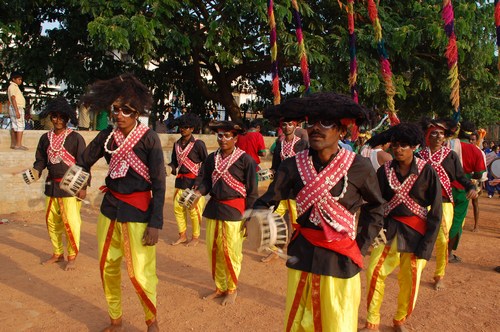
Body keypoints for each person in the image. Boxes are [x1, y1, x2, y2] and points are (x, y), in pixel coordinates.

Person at [254, 92, 385, 331]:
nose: (316, 128)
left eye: (326, 123)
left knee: (338, 323)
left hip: (340, 259)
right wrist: (256, 216)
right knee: (297, 322)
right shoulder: (292, 165)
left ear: (342, 131)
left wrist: (362, 245)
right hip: (302, 254)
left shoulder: (359, 166)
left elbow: (376, 207)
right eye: (312, 122)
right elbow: (269, 200)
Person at [77, 74, 165, 332]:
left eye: (126, 110)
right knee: (107, 267)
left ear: (137, 111)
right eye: (116, 109)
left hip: (139, 212)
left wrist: (155, 222)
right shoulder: (107, 135)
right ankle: (115, 319)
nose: (120, 114)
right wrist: (82, 182)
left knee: (140, 272)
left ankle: (152, 320)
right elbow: (85, 160)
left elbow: (159, 183)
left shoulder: (150, 138)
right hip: (109, 209)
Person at [362, 123, 442, 332]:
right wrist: (370, 232)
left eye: (404, 145)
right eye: (395, 145)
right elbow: (374, 202)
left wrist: (427, 246)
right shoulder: (384, 171)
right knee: (374, 271)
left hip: (416, 234)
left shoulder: (427, 171)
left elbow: (436, 212)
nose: (398, 149)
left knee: (410, 281)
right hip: (388, 231)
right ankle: (372, 321)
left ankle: (400, 320)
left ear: (415, 146)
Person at [193, 120, 258, 306]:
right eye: (220, 135)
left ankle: (232, 289)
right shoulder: (211, 158)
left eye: (227, 136)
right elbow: (206, 181)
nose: (223, 139)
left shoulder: (246, 160)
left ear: (236, 138)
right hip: (214, 209)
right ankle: (219, 287)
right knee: (214, 250)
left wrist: (249, 218)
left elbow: (252, 192)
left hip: (235, 211)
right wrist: (198, 192)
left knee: (231, 252)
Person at [417, 118, 477, 290]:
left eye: (441, 133)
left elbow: (460, 177)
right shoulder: (419, 156)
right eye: (434, 133)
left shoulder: (450, 156)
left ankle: (439, 275)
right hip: (421, 203)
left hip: (444, 204)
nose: (438, 136)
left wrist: (471, 186)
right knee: (421, 238)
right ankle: (417, 270)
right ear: (427, 135)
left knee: (443, 240)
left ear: (445, 137)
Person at [29, 97, 87, 271]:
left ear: (68, 118)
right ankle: (57, 253)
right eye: (54, 116)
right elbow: (40, 159)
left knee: (71, 222)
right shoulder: (44, 138)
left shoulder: (76, 138)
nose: (58, 120)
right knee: (51, 222)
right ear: (50, 117)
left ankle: (72, 256)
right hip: (51, 186)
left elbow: (83, 163)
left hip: (71, 187)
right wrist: (36, 170)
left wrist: (83, 187)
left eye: (62, 116)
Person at [262, 119, 308, 263]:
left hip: (296, 191)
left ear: (295, 126)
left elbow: (307, 166)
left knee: (297, 222)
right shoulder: (279, 144)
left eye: (290, 124)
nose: (287, 127)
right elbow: (275, 166)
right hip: (282, 189)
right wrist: (268, 173)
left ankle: (299, 252)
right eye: (284, 124)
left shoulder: (303, 144)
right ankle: (275, 250)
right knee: (274, 218)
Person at [447, 121, 486, 263]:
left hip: (444, 187)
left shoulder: (448, 145)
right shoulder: (476, 151)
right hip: (463, 190)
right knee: (457, 222)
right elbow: (480, 173)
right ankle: (448, 253)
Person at [168, 113, 208, 246]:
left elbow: (207, 164)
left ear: (192, 129)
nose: (182, 129)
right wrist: (168, 168)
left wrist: (199, 183)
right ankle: (182, 235)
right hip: (180, 182)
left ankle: (195, 238)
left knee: (193, 211)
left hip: (194, 183)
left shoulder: (198, 144)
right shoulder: (176, 144)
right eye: (181, 126)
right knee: (177, 209)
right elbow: (174, 163)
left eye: (186, 127)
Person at [468, 132, 488, 231]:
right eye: (470, 139)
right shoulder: (463, 150)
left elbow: (483, 169)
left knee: (475, 203)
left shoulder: (480, 152)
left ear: (477, 141)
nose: (471, 141)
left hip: (474, 180)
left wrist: (481, 184)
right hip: (463, 179)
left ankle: (476, 225)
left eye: (473, 139)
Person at [7, 71, 28, 150]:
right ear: (13, 79)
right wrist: (16, 111)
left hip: (15, 107)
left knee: (15, 126)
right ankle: (18, 144)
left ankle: (14, 144)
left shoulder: (14, 87)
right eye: (19, 79)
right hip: (17, 107)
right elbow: (13, 98)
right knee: (20, 126)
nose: (20, 81)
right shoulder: (13, 87)